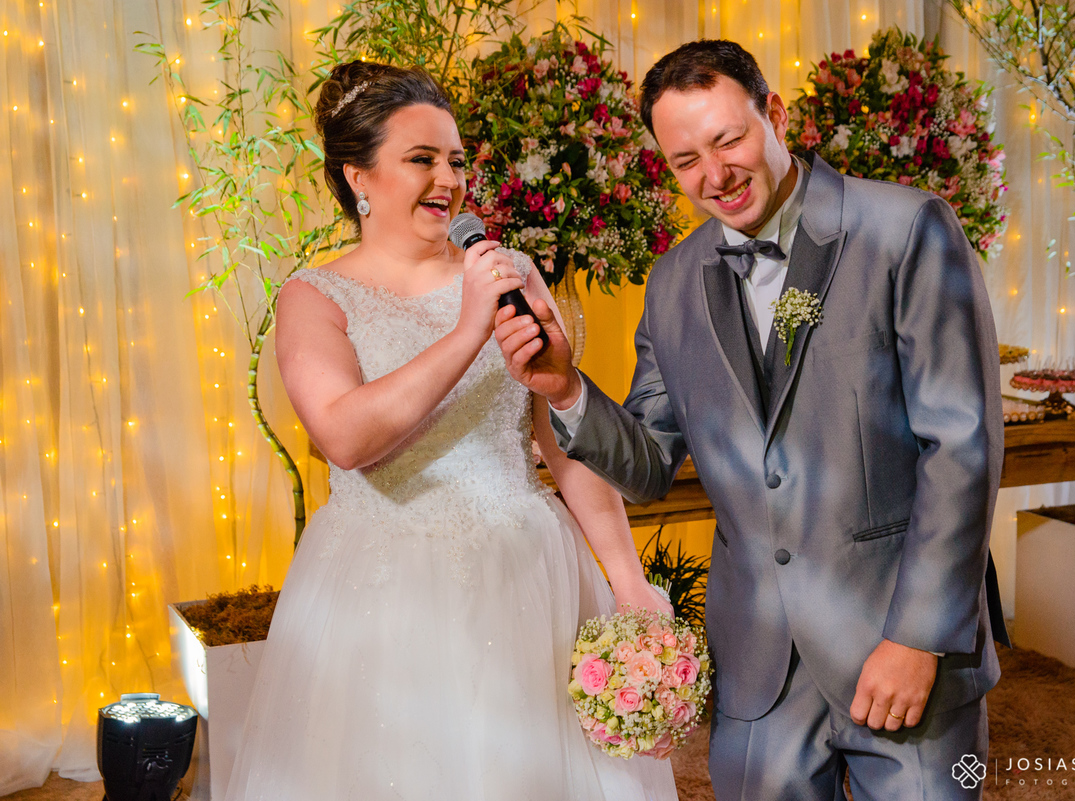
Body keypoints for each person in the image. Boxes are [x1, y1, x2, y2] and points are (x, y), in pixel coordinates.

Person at [496, 40, 1008, 801]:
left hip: (895, 642)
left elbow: (961, 444)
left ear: (774, 114)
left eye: (728, 139)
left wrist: (917, 637)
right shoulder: (671, 283)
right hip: (758, 671)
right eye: (684, 160)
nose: (713, 175)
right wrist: (567, 388)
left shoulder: (905, 229)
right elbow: (647, 464)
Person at [224, 61, 677, 801]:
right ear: (358, 178)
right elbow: (344, 435)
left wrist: (627, 581)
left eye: (457, 161)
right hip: (382, 590)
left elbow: (563, 438)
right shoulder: (315, 296)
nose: (449, 179)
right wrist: (469, 327)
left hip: (527, 574)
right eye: (422, 159)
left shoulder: (507, 272)